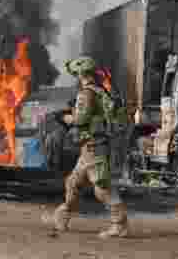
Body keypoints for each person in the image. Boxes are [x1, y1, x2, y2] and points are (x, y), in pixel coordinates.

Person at [48, 56, 129, 239]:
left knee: (102, 188)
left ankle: (119, 224)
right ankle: (64, 215)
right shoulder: (100, 90)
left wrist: (64, 117)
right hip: (90, 147)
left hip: (94, 146)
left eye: (77, 74)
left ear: (80, 74)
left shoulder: (87, 93)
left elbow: (80, 119)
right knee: (73, 183)